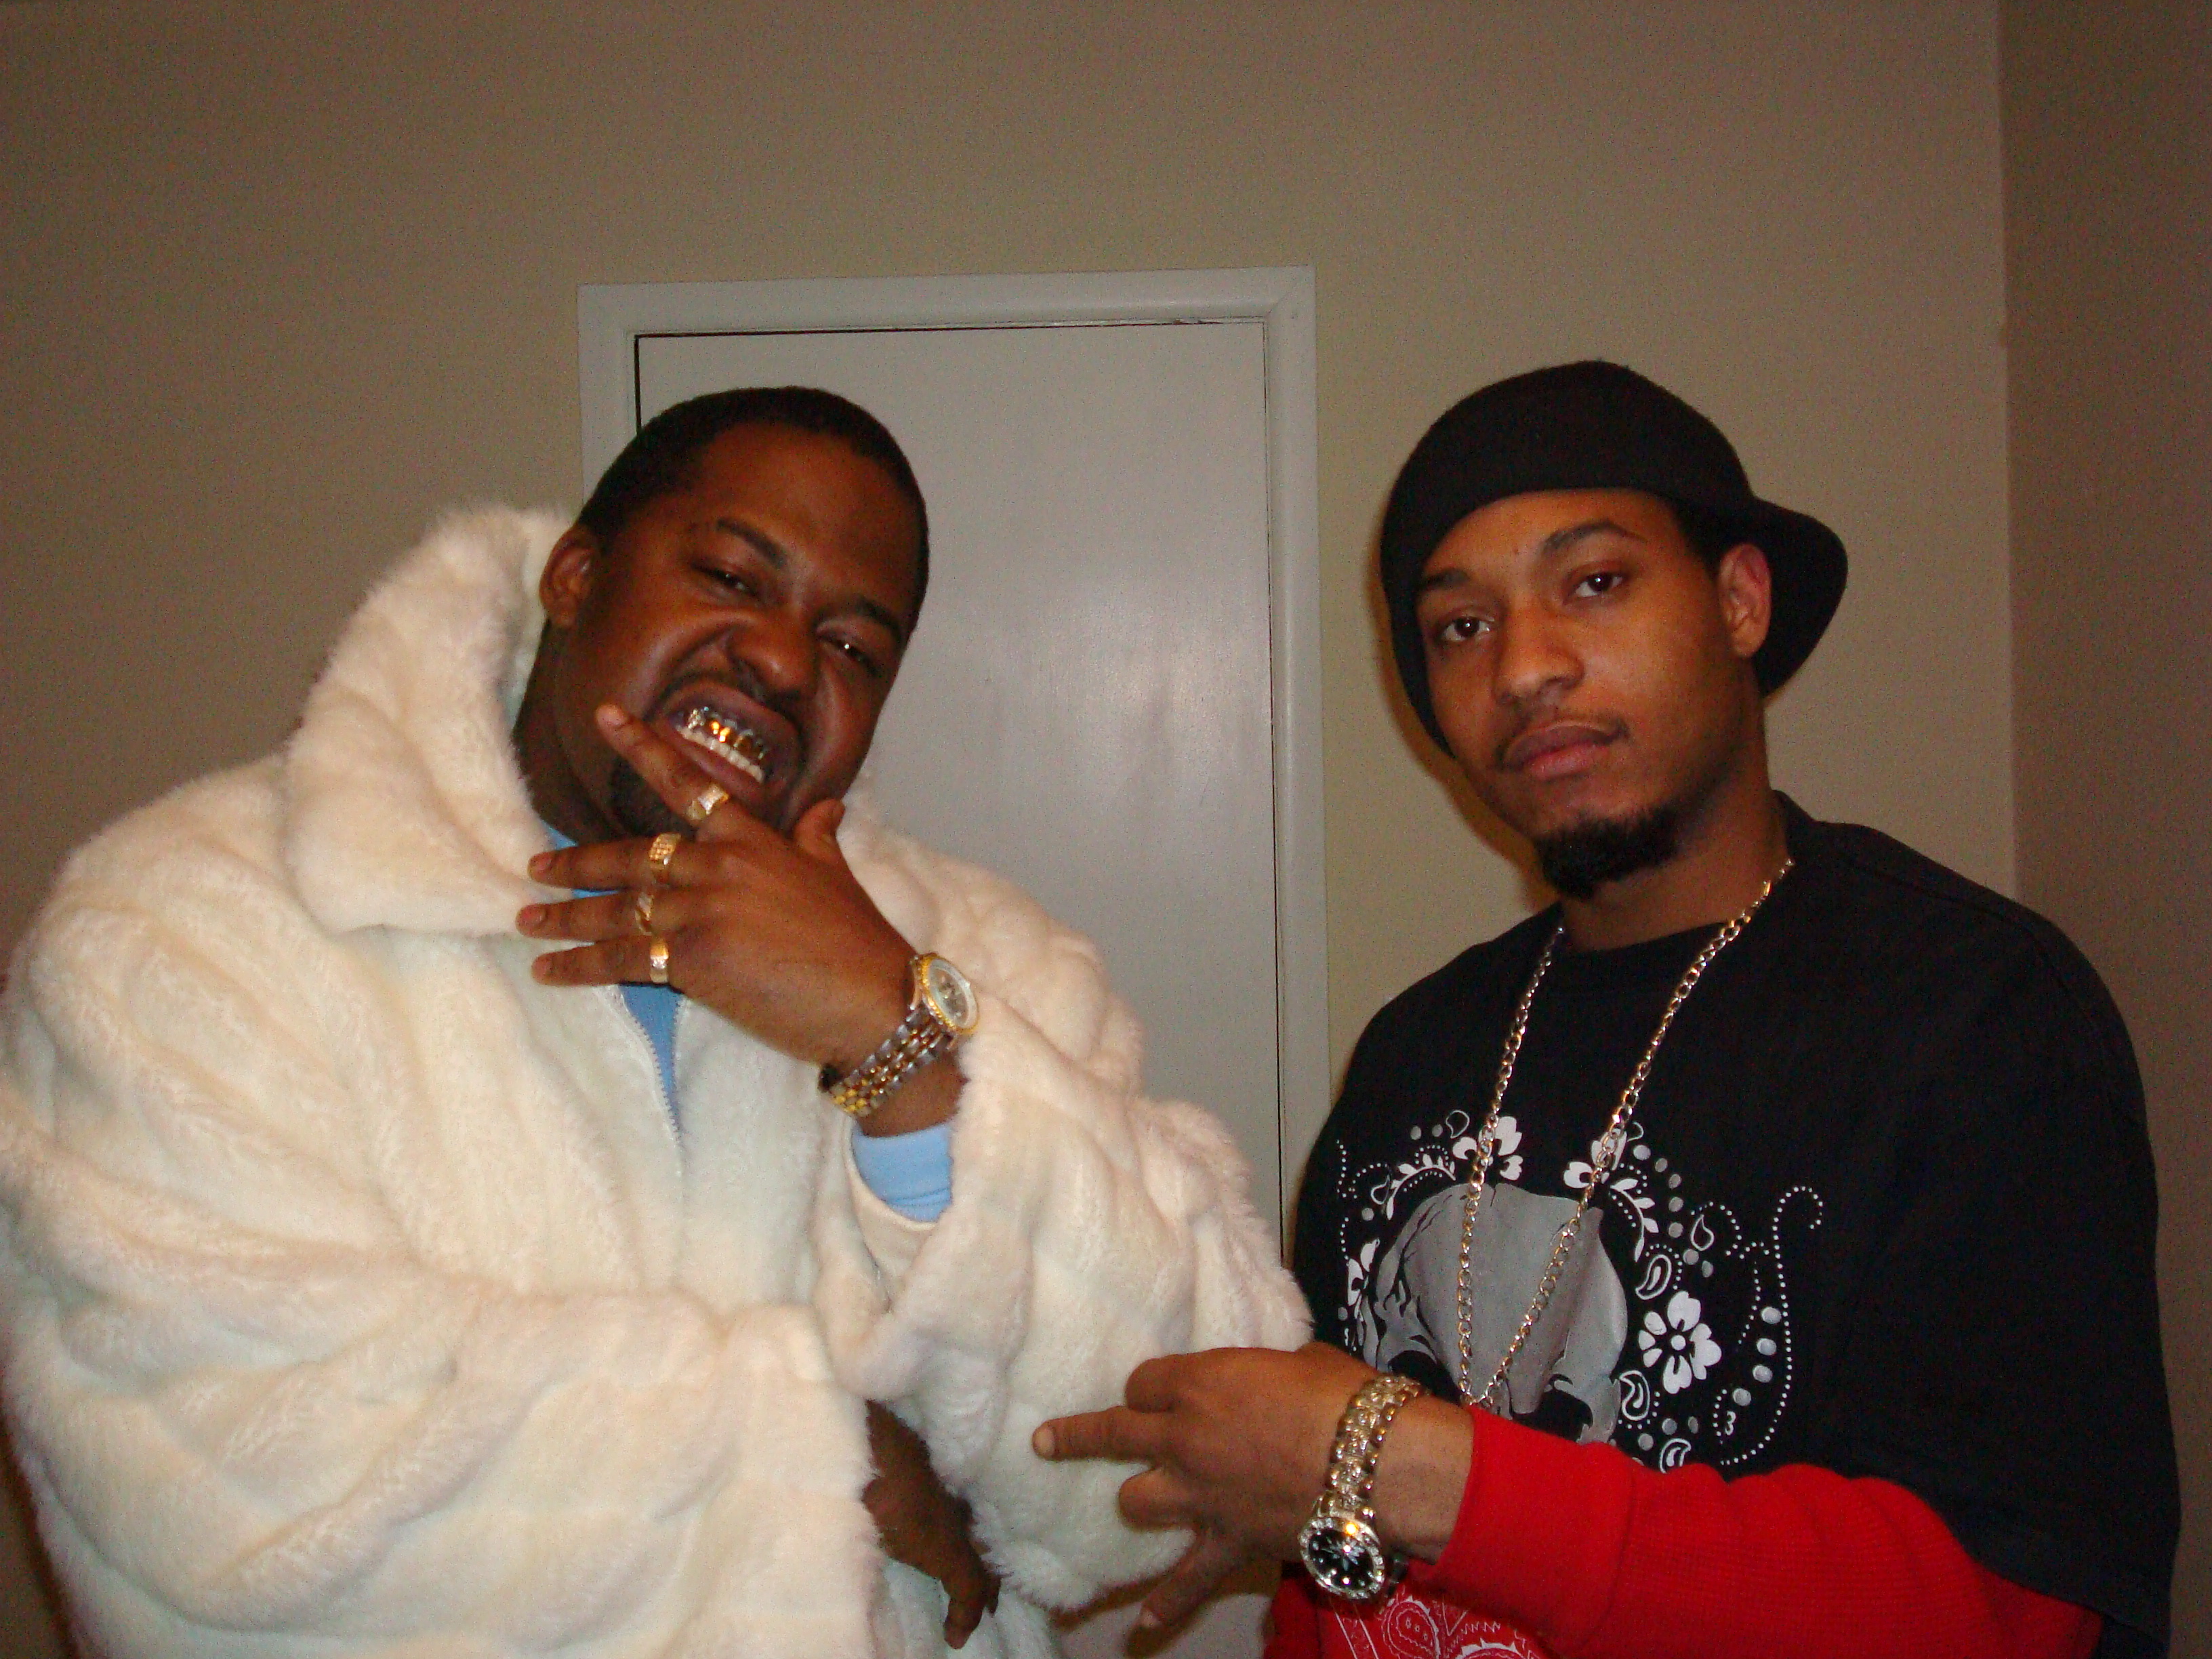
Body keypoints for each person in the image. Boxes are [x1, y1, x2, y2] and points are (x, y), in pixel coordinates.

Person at [0, 386, 1306, 1658]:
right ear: (576, 577)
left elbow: (1168, 1470)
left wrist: (894, 1042)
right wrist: (825, 1462)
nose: (784, 661)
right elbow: (222, 1496)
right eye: (732, 577)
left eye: (854, 647)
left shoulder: (976, 961)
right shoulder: (194, 929)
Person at [1036, 362, 2177, 1658]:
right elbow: (1335, 1571)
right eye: (1461, 626)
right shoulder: (1415, 1055)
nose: (1524, 667)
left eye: (1594, 583)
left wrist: (1407, 1467)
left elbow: (2005, 1613)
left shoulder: (1970, 1014)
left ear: (1740, 601)